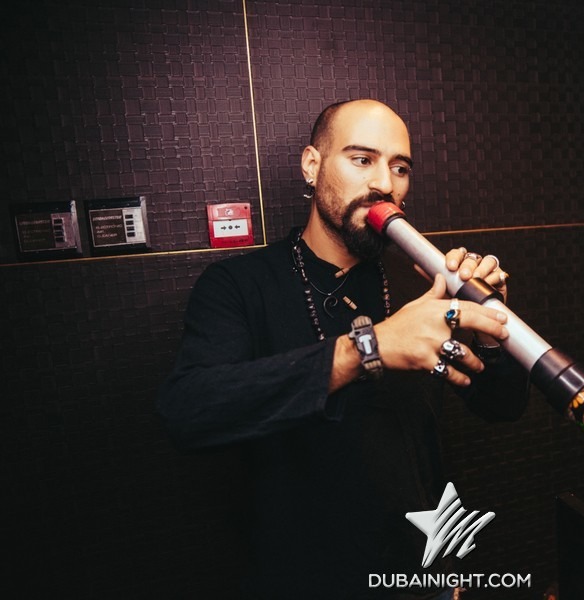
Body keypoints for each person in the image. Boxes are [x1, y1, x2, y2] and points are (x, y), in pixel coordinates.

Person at [157, 99, 527, 599]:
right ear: (312, 166)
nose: (385, 183)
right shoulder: (240, 285)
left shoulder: (420, 283)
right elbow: (188, 412)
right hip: (302, 582)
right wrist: (366, 348)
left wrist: (490, 326)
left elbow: (503, 406)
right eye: (362, 159)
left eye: (400, 168)